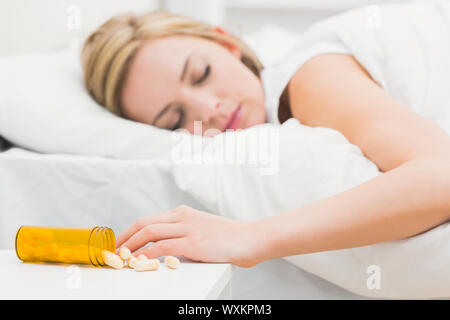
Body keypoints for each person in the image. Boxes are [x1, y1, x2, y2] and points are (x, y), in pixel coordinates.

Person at [82, 6, 450, 268]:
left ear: (229, 45)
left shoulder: (311, 77)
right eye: (175, 118)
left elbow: (440, 175)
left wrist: (253, 237)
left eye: (201, 73)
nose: (208, 108)